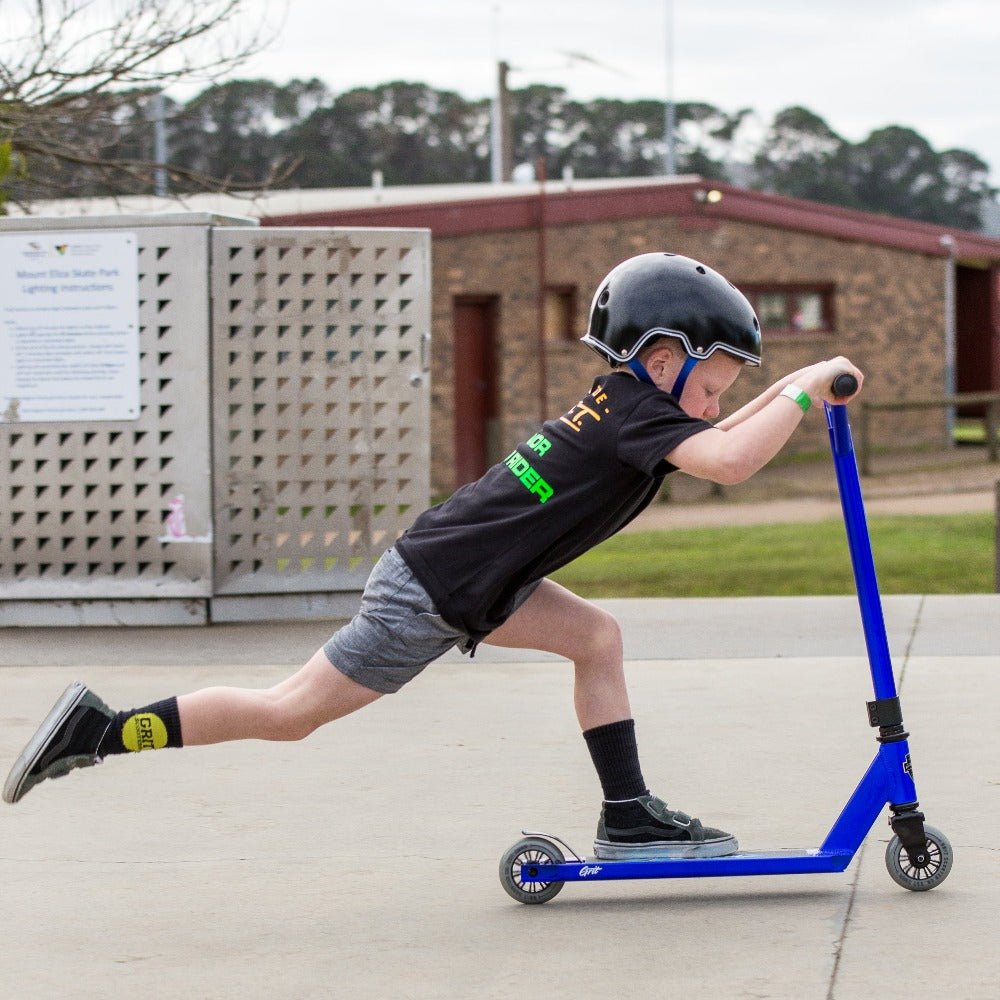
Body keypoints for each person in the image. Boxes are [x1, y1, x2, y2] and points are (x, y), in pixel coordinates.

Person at [3, 252, 862, 861]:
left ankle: (629, 813)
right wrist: (808, 377)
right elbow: (732, 462)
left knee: (595, 637)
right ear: (661, 357)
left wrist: (796, 393)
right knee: (291, 711)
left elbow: (718, 441)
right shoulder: (641, 412)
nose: (717, 405)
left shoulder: (632, 403)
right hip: (432, 589)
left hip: (479, 578)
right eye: (713, 384)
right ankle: (100, 731)